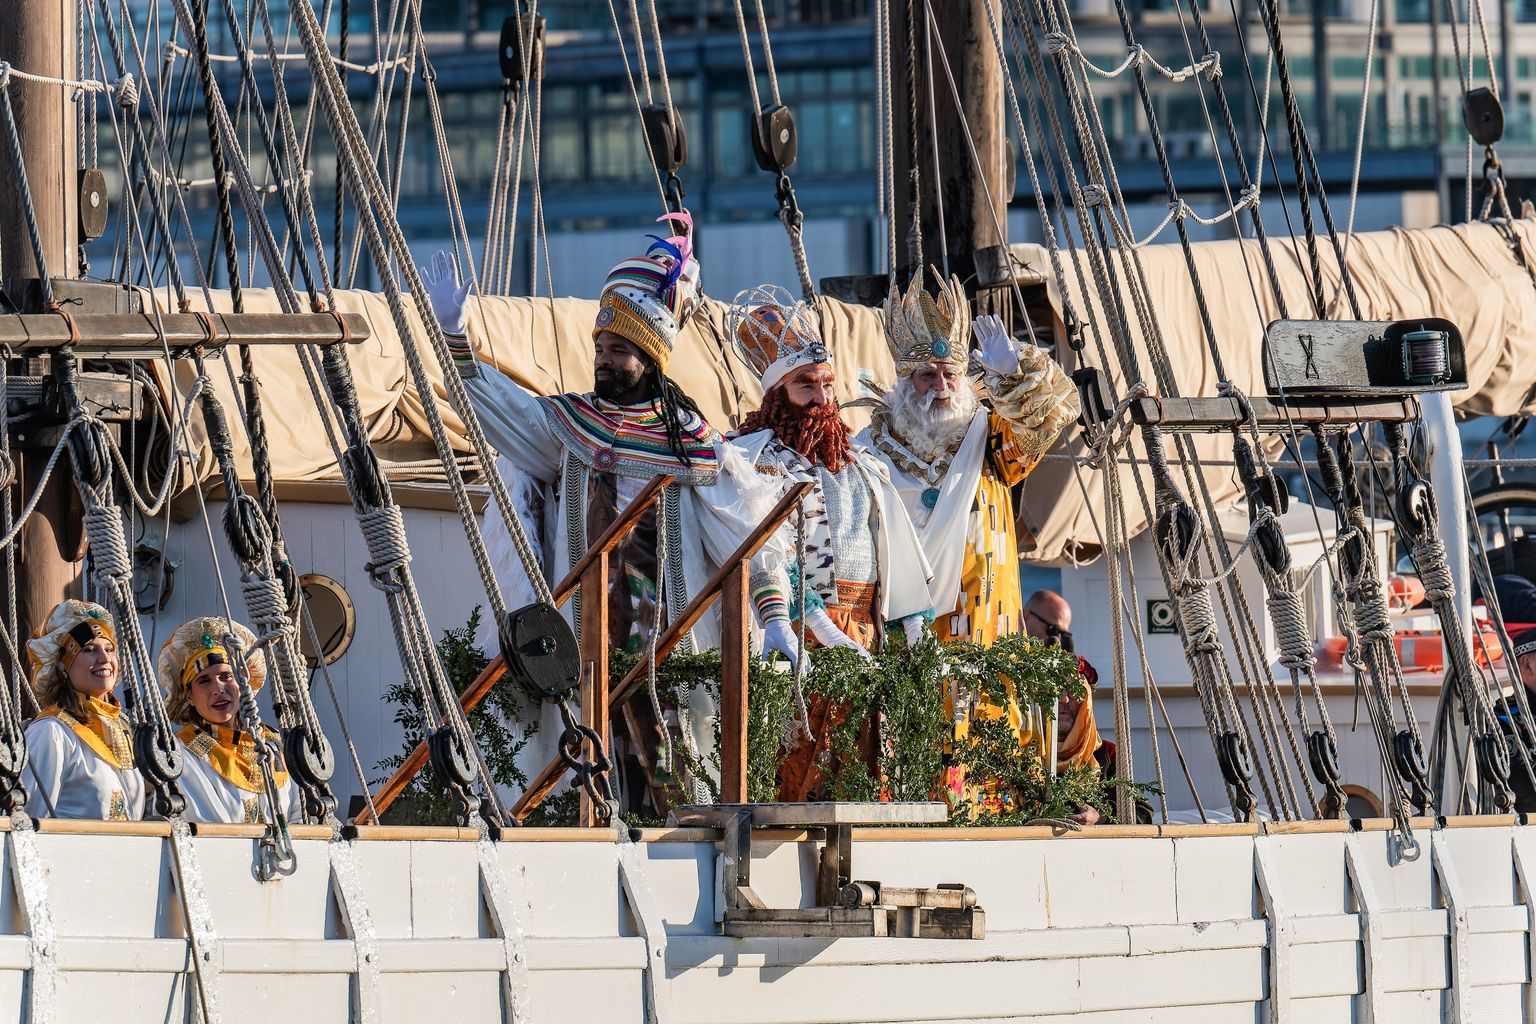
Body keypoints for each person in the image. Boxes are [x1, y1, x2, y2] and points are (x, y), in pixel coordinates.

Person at [421, 219, 785, 793]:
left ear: (650, 357)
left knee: (675, 782)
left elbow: (750, 532)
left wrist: (775, 616)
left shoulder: (692, 443)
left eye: (618, 349)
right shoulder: (571, 426)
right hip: (582, 645)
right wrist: (455, 339)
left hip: (670, 643)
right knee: (588, 779)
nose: (604, 358)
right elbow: (505, 411)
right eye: (599, 347)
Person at [857, 273, 1077, 812]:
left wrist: (1018, 368)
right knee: (903, 758)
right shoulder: (868, 449)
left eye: (951, 373)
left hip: (984, 632)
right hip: (901, 636)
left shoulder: (990, 439)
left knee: (984, 759)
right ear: (905, 381)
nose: (942, 386)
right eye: (927, 375)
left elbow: (1053, 415)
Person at [727, 284, 934, 800]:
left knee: (867, 772)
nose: (821, 398)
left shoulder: (865, 465)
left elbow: (899, 553)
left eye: (826, 384)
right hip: (798, 632)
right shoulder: (757, 462)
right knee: (797, 770)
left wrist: (914, 626)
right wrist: (818, 622)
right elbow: (765, 550)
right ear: (779, 396)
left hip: (867, 636)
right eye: (805, 386)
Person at [160, 617, 302, 825]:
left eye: (226, 676)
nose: (218, 689)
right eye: (204, 681)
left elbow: (300, 815)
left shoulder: (274, 745)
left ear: (241, 684)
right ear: (189, 696)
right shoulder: (179, 756)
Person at [1025, 589, 1151, 824]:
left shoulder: (1106, 755)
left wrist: (1100, 818)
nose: (1062, 700)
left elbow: (1142, 814)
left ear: (1086, 704)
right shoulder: (1021, 752)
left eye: (1073, 693)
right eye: (1052, 691)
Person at [24, 600, 144, 821]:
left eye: (109, 649)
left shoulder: (125, 729)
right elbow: (28, 823)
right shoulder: (52, 732)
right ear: (63, 667)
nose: (105, 658)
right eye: (89, 650)